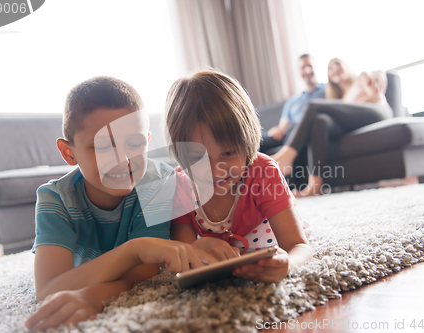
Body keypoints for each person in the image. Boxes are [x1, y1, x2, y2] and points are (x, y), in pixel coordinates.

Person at [24, 77, 216, 331]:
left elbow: (143, 274)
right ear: (69, 153)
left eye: (135, 144)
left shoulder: (158, 182)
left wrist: (93, 296)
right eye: (103, 146)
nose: (123, 159)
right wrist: (136, 249)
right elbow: (48, 289)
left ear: (147, 142)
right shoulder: (55, 198)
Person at [165, 70, 313, 284]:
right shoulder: (179, 186)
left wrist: (287, 264)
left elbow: (299, 246)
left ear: (247, 143)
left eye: (228, 153)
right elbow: (185, 256)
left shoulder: (264, 172)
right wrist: (194, 249)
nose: (216, 171)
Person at [271, 58, 393, 197]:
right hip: (355, 121)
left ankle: (287, 155)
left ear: (346, 65)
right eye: (330, 68)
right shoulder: (342, 98)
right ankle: (315, 185)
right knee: (319, 121)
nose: (334, 69)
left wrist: (378, 75)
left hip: (378, 111)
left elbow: (375, 91)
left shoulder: (361, 78)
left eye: (337, 64)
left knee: (312, 106)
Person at [260, 54, 325, 152]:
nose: (307, 70)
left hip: (308, 130)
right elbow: (282, 128)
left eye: (310, 66)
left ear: (316, 67)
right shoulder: (292, 100)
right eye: (303, 67)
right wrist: (277, 131)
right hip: (288, 134)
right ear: (299, 71)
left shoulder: (327, 90)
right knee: (251, 140)